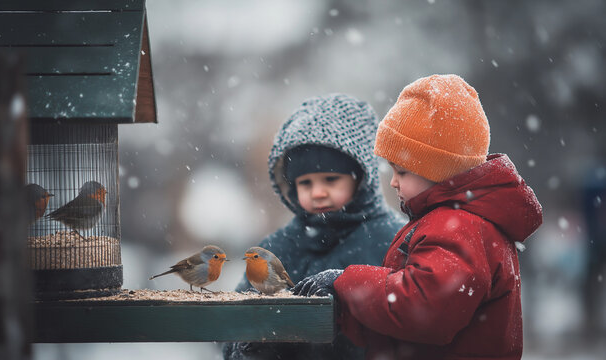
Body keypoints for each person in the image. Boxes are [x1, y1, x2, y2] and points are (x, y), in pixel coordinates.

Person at [293, 75, 543, 360]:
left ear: (438, 172)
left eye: (402, 171)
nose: (393, 182)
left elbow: (424, 310)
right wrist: (342, 312)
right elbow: (403, 325)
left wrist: (346, 283)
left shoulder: (459, 226)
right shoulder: (447, 220)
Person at [223, 93, 405, 359]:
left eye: (330, 180)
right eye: (306, 183)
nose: (318, 192)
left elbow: (413, 324)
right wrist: (251, 347)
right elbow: (230, 327)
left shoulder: (392, 240)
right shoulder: (275, 249)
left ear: (361, 178)